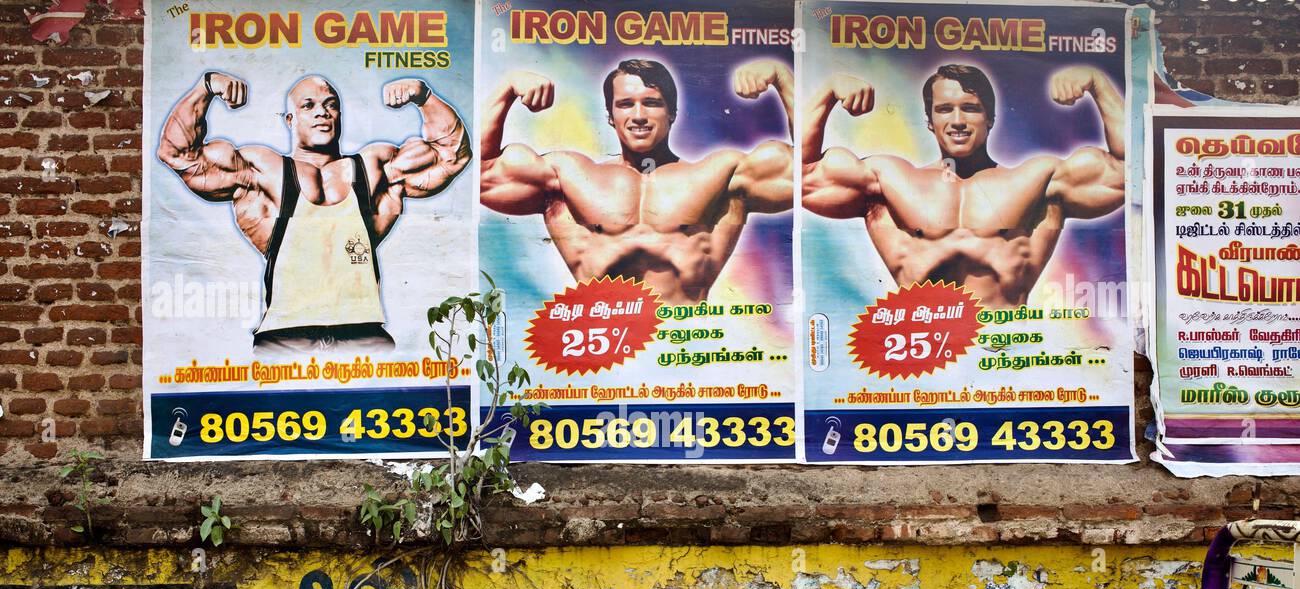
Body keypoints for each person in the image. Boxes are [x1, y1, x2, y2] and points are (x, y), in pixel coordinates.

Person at [156, 72, 470, 352]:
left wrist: (424, 97)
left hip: (363, 334)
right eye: (308, 105)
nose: (322, 111)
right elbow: (178, 154)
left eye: (331, 104)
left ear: (340, 115)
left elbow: (452, 158)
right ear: (290, 119)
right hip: (283, 338)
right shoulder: (263, 170)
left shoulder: (375, 168)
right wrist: (206, 87)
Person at [802, 63, 1125, 308]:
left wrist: (1098, 85)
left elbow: (1127, 174)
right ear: (930, 120)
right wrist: (829, 91)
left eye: (970, 108)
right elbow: (803, 178)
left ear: (991, 118)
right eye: (944, 109)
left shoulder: (1034, 180)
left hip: (1005, 349)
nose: (957, 120)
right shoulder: (892, 180)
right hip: (924, 348)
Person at [479, 58, 793, 306]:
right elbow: (481, 176)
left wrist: (782, 78)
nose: (639, 115)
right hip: (603, 348)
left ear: (672, 112)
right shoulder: (570, 176)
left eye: (652, 103)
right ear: (609, 115)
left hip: (686, 345)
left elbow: (804, 175)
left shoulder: (718, 175)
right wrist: (507, 88)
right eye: (626, 104)